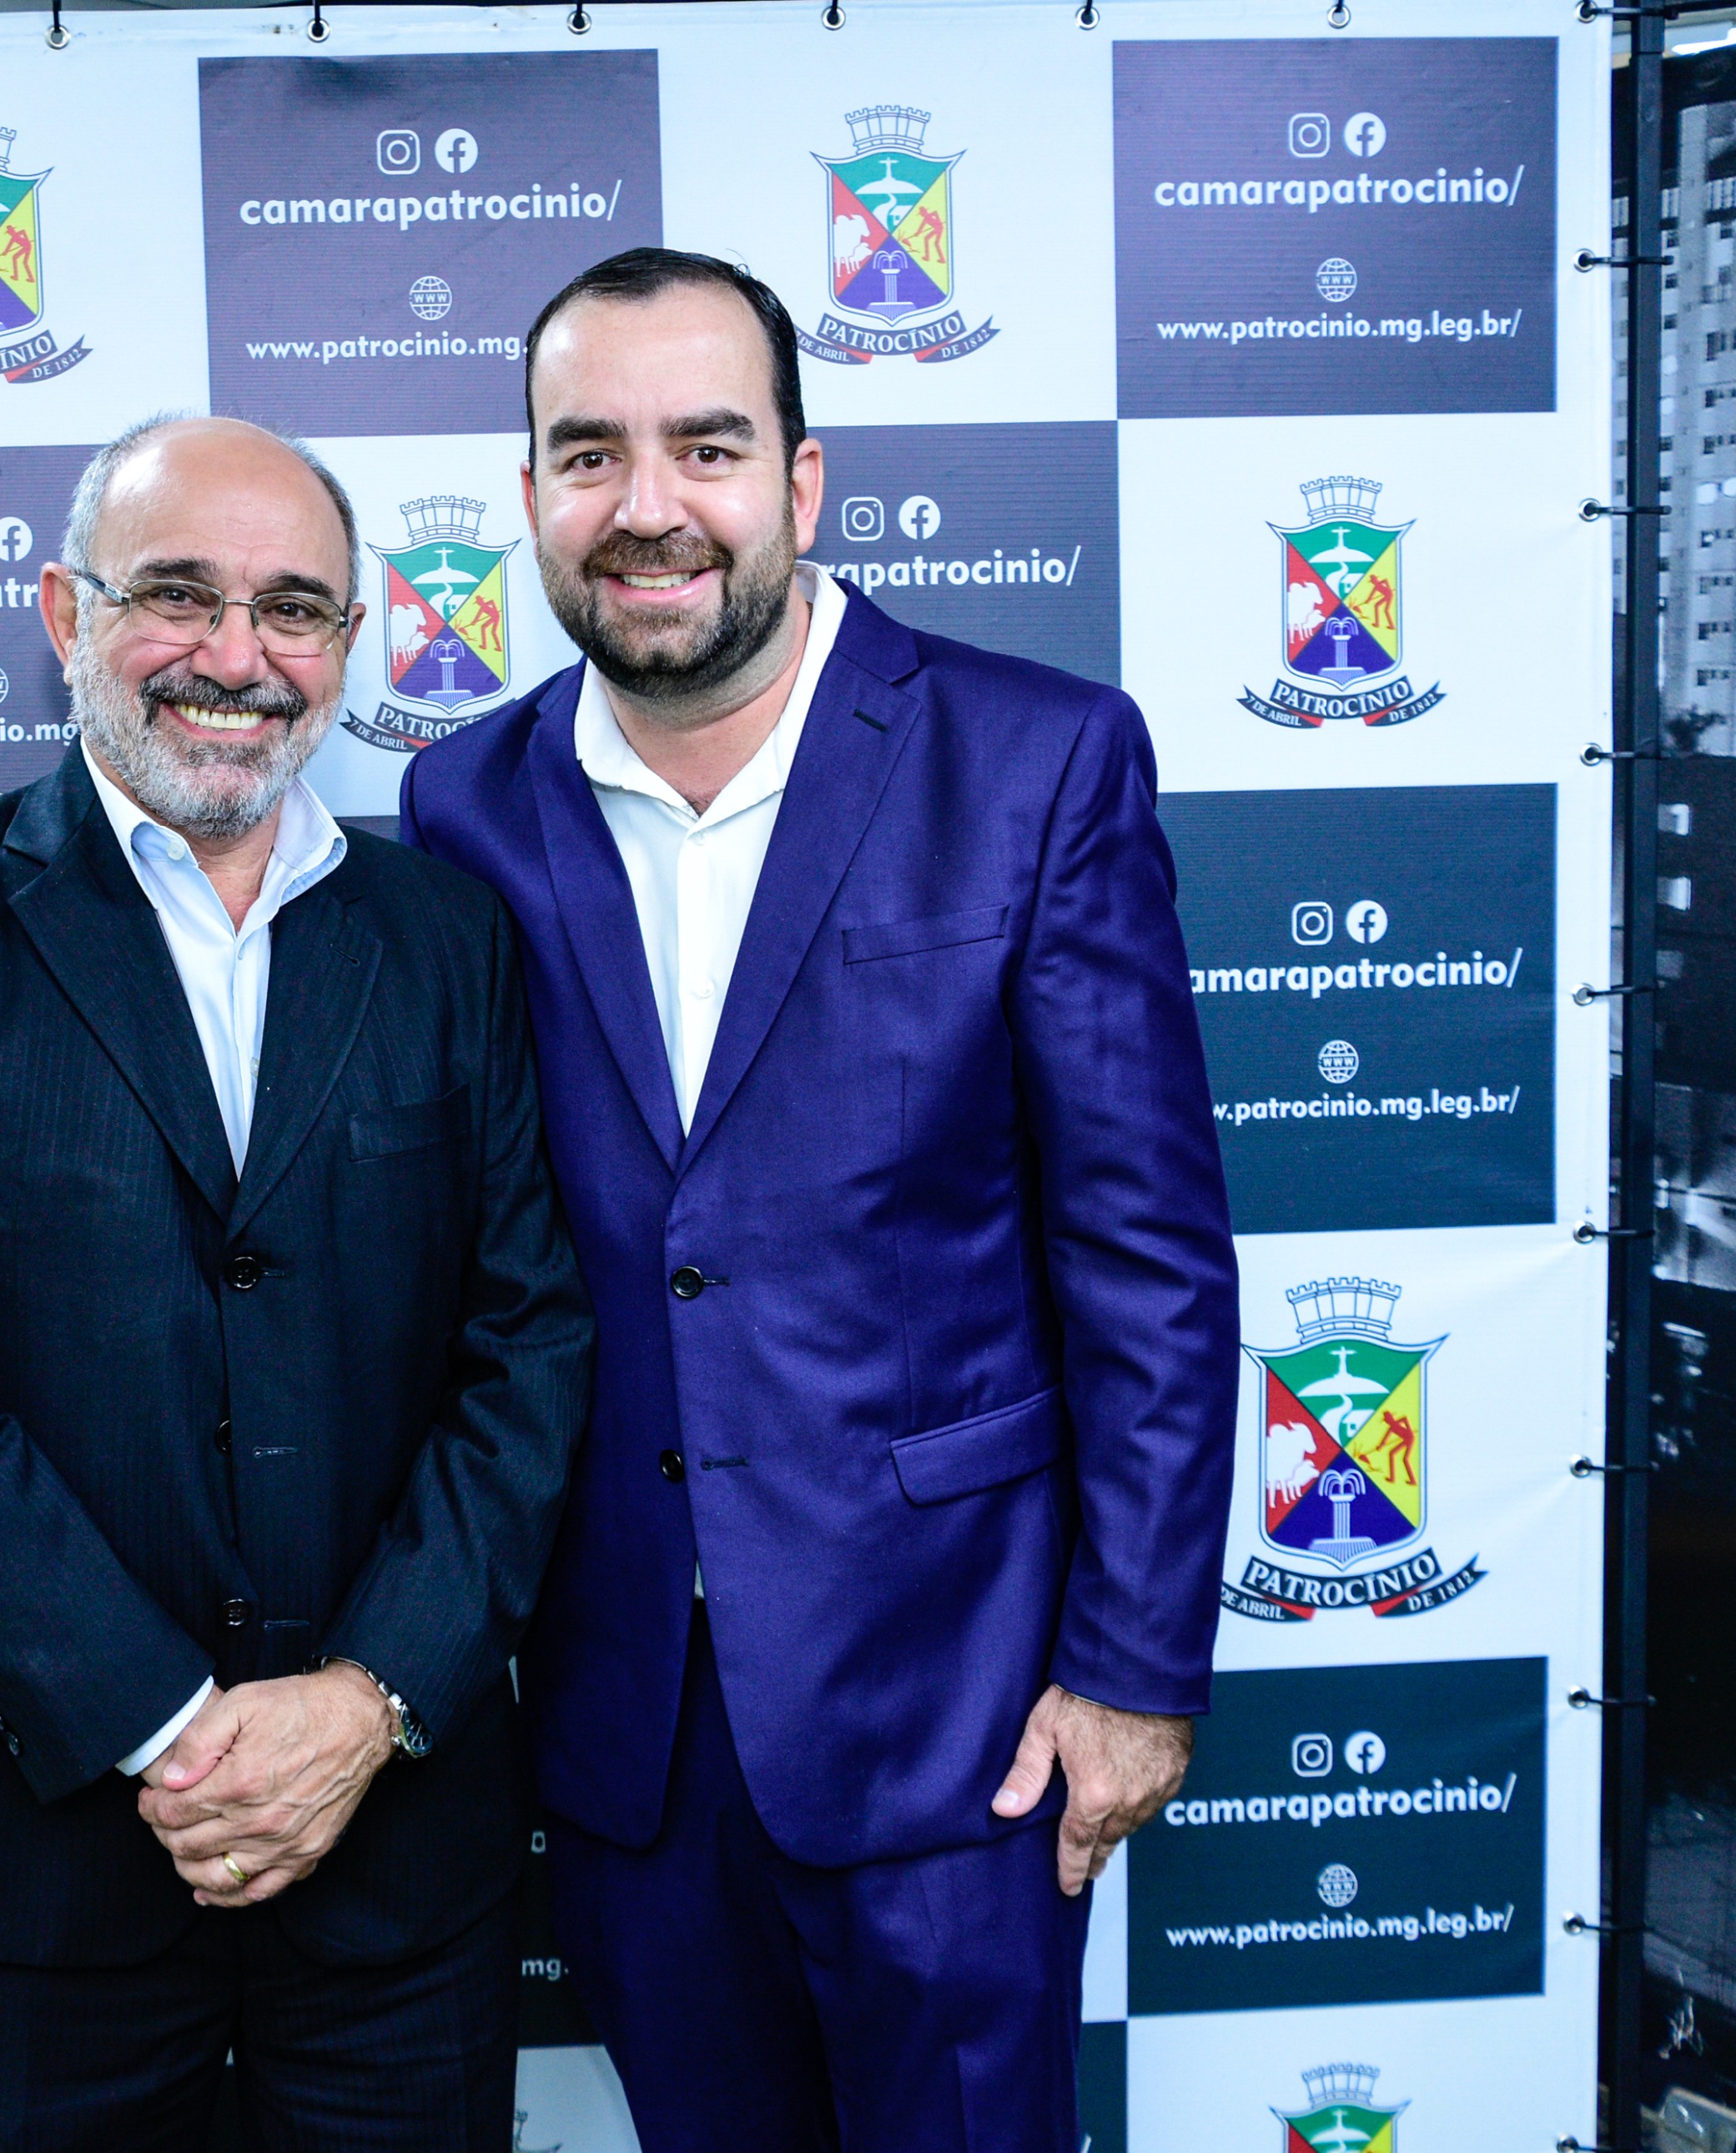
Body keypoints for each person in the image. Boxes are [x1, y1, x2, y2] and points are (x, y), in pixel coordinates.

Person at [400, 250, 1240, 2151]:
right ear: (529, 493)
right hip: (626, 1725)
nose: (649, 506)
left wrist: (1131, 1672)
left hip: (965, 1715)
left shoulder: (1035, 759)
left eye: (706, 446)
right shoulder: (465, 803)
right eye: (589, 454)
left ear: (801, 478)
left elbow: (1147, 1261)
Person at [0, 414, 592, 2150]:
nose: (236, 655)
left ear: (349, 642)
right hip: (25, 1856)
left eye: (293, 608)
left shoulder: (450, 937)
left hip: (391, 1850)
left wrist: (364, 1702)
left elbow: (528, 1347)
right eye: (177, 595)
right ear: (67, 612)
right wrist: (168, 1726)